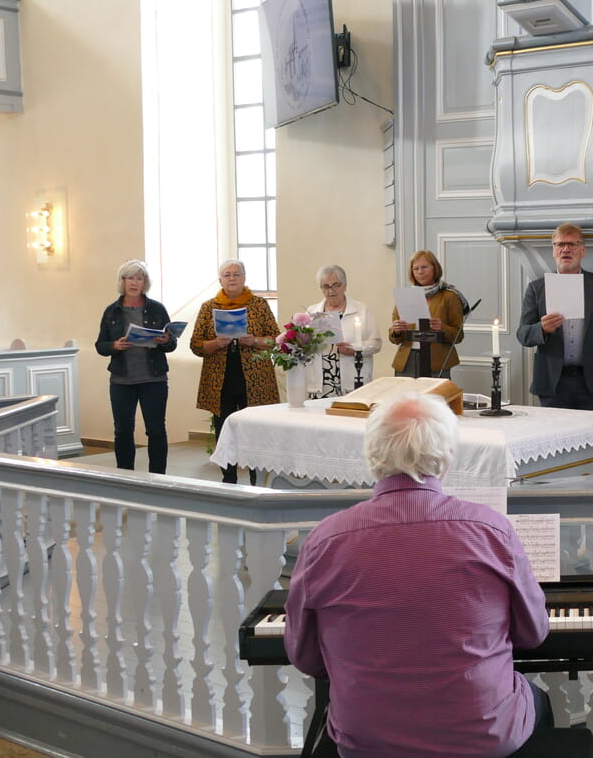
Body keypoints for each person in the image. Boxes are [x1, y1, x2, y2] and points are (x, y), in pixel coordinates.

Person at [284, 392, 552, 758]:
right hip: (482, 734)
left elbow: (305, 657)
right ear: (446, 459)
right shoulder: (490, 530)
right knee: (537, 702)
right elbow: (533, 634)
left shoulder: (324, 540)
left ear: (372, 455)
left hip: (366, 738)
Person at [517, 223, 593, 412]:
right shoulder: (537, 289)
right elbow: (523, 334)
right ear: (553, 251)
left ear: (582, 250)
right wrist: (541, 329)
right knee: (554, 440)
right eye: (560, 245)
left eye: (572, 244)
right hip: (553, 384)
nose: (566, 249)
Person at [189, 259, 279, 485]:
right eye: (227, 275)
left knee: (254, 430)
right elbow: (196, 345)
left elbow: (277, 339)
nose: (231, 278)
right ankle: (228, 478)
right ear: (220, 280)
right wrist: (216, 344)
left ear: (244, 278)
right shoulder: (209, 307)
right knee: (224, 430)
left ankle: (255, 480)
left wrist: (255, 340)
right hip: (221, 380)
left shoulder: (259, 305)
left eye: (236, 274)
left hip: (255, 379)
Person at [93, 259, 177, 474]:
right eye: (130, 277)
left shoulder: (157, 309)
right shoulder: (112, 311)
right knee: (123, 431)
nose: (134, 282)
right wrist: (115, 345)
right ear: (122, 281)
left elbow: (171, 344)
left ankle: (158, 478)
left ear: (144, 282)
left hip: (153, 379)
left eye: (139, 278)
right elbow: (100, 346)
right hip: (122, 380)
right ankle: (125, 476)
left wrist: (164, 340)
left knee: (156, 430)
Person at [307, 264, 382, 397]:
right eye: (326, 286)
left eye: (336, 285)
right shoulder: (312, 312)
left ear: (345, 285)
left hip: (353, 380)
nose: (331, 291)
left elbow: (376, 344)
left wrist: (355, 349)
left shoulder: (361, 310)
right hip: (321, 382)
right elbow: (304, 345)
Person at [389, 250, 464, 379]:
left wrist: (442, 328)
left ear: (435, 269)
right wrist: (396, 331)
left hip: (436, 361)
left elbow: (458, 335)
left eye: (424, 267)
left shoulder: (449, 296)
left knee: (433, 399)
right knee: (406, 399)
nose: (420, 272)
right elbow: (395, 338)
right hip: (407, 360)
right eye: (415, 269)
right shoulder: (406, 296)